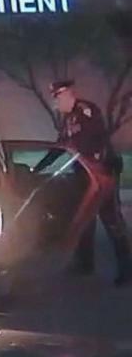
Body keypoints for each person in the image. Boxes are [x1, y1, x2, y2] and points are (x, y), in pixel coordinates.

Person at [34, 80, 131, 286]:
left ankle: (126, 270)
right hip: (84, 175)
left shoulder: (87, 112)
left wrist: (81, 153)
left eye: (58, 99)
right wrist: (37, 169)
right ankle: (85, 263)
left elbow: (93, 141)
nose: (56, 104)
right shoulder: (67, 120)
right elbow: (60, 147)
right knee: (84, 219)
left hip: (101, 172)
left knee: (112, 221)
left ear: (67, 95)